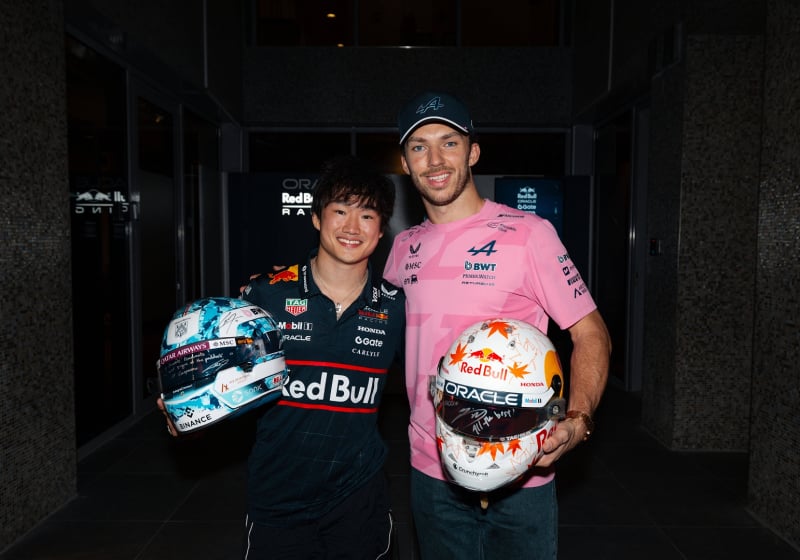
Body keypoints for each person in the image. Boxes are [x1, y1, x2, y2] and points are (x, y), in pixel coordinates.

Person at [382, 91, 612, 559]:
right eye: (419, 147)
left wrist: (578, 420)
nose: (435, 159)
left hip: (522, 472)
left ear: (473, 152)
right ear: (405, 163)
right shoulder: (403, 246)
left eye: (448, 142)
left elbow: (591, 334)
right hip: (432, 472)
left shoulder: (530, 235)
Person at [159, 155, 405, 559]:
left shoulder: (396, 307)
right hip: (279, 495)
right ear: (316, 218)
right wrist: (187, 409)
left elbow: (430, 379)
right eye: (339, 211)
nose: (350, 227)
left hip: (359, 496)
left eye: (366, 215)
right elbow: (218, 379)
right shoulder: (266, 295)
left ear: (381, 230)